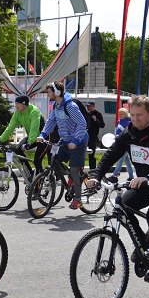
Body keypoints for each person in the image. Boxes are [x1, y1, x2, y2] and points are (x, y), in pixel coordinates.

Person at [86, 95, 149, 283]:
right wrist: (96, 175)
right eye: (132, 114)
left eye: (139, 115)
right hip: (144, 183)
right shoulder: (129, 133)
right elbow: (111, 154)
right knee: (122, 204)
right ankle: (143, 242)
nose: (135, 119)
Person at [36, 81, 88, 209]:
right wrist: (42, 135)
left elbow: (82, 124)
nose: (48, 95)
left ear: (57, 92)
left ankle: (77, 198)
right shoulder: (56, 106)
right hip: (65, 140)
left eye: (49, 92)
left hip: (79, 141)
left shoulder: (70, 106)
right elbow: (51, 121)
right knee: (55, 159)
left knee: (74, 168)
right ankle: (71, 176)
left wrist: (75, 142)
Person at [0, 95, 46, 176]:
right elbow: (10, 127)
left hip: (42, 138)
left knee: (37, 160)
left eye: (18, 104)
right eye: (15, 103)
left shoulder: (34, 111)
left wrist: (29, 143)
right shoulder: (18, 113)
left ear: (24, 104)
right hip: (31, 137)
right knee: (18, 149)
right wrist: (0, 140)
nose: (16, 106)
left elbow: (34, 128)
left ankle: (39, 180)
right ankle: (29, 172)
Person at [110, 108, 134, 181]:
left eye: (122, 114)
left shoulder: (128, 122)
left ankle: (114, 175)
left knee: (120, 160)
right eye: (119, 114)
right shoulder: (121, 121)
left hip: (125, 143)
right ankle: (131, 176)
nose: (120, 115)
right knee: (127, 161)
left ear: (126, 114)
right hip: (121, 143)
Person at [85, 101, 105, 170]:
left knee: (92, 152)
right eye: (87, 106)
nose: (88, 108)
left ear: (93, 106)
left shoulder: (98, 114)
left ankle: (92, 169)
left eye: (90, 106)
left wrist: (96, 120)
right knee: (82, 152)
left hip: (93, 136)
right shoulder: (86, 114)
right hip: (85, 135)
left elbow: (102, 125)